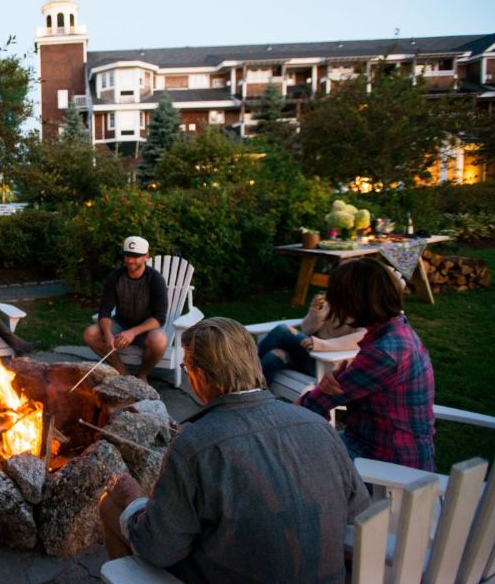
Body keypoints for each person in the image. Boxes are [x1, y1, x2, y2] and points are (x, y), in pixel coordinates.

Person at [99, 317, 369, 584]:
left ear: (200, 375)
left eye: (186, 367)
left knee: (113, 506)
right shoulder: (318, 425)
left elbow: (158, 548)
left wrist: (134, 501)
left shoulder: (194, 444)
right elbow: (358, 512)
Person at [298, 258, 436, 471]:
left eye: (337, 300)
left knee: (289, 461)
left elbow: (314, 405)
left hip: (389, 463)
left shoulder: (383, 352)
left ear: (354, 302)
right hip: (377, 443)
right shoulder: (397, 331)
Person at [83, 235, 168, 382]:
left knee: (159, 341)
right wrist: (108, 333)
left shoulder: (155, 279)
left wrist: (133, 332)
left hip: (145, 328)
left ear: (146, 257)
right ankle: (123, 372)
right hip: (121, 323)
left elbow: (159, 317)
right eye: (127, 255)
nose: (129, 260)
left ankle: (142, 374)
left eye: (135, 256)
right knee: (90, 334)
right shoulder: (115, 277)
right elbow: (105, 310)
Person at [257, 291, 365, 386]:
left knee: (282, 330)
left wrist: (321, 345)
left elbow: (361, 338)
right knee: (272, 357)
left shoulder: (364, 309)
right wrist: (316, 312)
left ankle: (245, 369)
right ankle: (254, 400)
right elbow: (306, 330)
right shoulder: (331, 301)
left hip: (328, 365)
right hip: (307, 356)